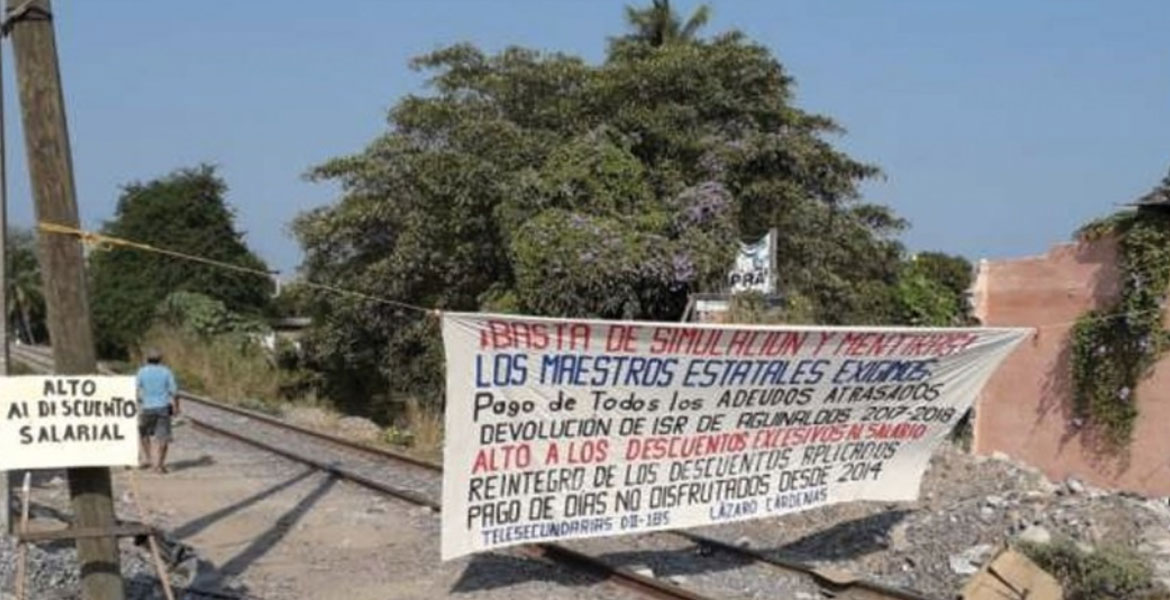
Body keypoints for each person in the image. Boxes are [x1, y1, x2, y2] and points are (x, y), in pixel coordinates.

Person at [136, 348, 179, 474]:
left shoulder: (142, 372)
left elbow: (135, 388)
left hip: (147, 408)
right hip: (163, 407)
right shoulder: (166, 372)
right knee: (163, 437)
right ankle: (159, 465)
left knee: (143, 433)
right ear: (160, 359)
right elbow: (174, 392)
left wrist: (137, 401)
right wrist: (176, 406)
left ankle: (150, 459)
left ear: (147, 359)